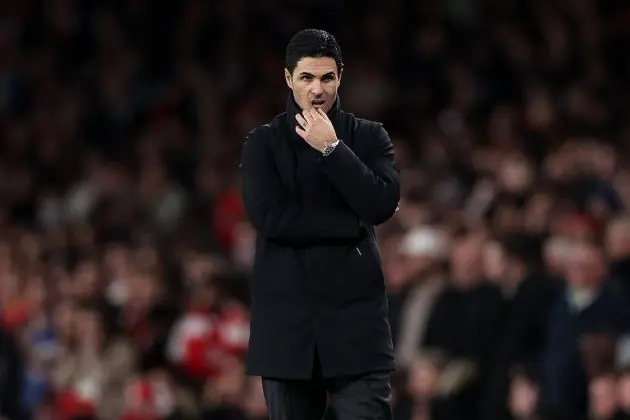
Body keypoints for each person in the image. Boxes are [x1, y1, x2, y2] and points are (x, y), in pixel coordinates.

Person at [240, 28, 400, 420]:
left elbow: (381, 203)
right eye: (307, 77)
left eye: (327, 77)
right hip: (286, 330)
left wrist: (332, 149)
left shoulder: (368, 137)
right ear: (288, 78)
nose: (317, 89)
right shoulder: (263, 144)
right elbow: (271, 219)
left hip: (357, 327)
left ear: (340, 76)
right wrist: (350, 224)